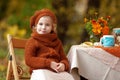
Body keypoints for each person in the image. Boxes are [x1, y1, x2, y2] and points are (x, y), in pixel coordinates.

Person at [25, 8, 74, 80]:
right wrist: (49, 64)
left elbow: (64, 58)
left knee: (69, 77)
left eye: (47, 25)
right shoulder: (32, 41)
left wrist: (63, 65)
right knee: (45, 77)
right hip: (40, 71)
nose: (43, 27)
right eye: (40, 24)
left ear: (52, 27)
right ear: (35, 26)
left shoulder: (57, 42)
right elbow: (29, 60)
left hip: (56, 72)